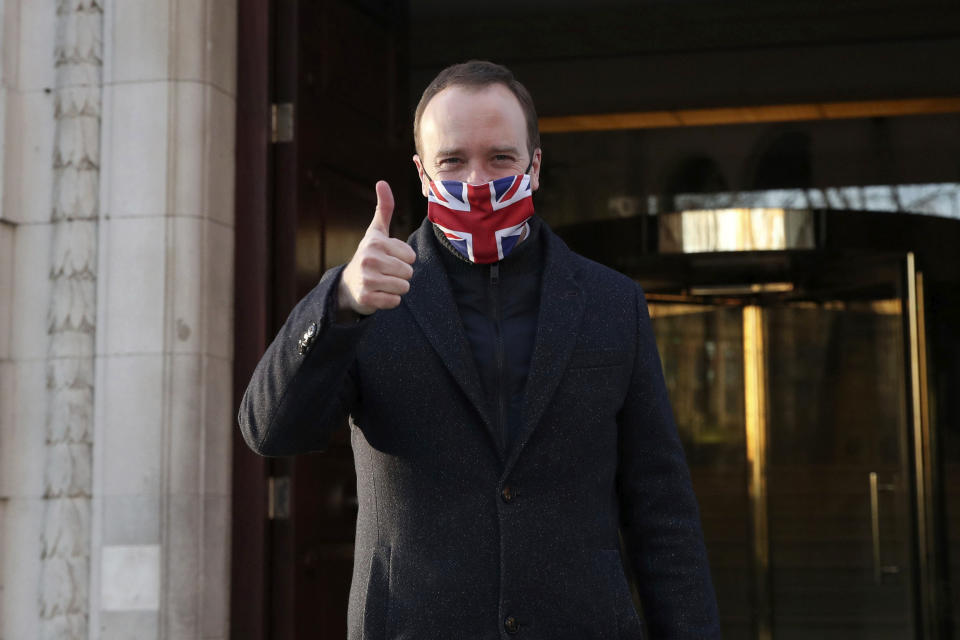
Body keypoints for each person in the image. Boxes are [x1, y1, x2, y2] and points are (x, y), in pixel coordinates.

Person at [239, 60, 720, 639]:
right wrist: (340, 304)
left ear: (534, 165)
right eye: (452, 160)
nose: (476, 182)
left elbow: (661, 511)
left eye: (500, 158)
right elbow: (269, 433)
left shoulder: (611, 303)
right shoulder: (367, 296)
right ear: (422, 174)